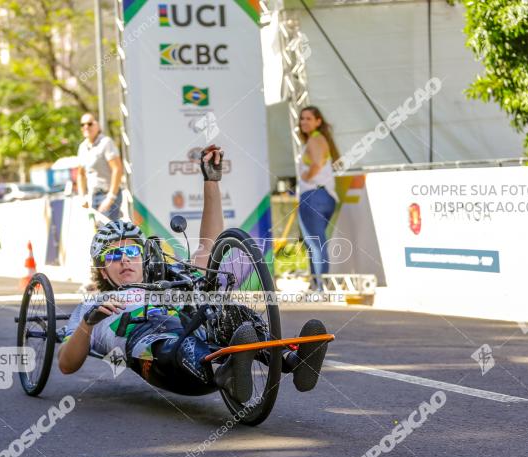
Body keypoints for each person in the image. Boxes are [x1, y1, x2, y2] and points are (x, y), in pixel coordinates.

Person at [57, 146, 330, 401]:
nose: (124, 261)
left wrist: (211, 182)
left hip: (196, 334)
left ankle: (294, 361)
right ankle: (227, 373)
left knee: (231, 311)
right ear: (101, 267)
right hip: (159, 358)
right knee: (169, 337)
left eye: (131, 253)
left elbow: (208, 248)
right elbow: (67, 365)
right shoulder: (91, 307)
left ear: (143, 257)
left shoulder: (170, 276)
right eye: (114, 256)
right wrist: (88, 324)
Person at [296, 106, 340, 291]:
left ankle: (320, 287)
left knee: (315, 243)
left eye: (308, 118)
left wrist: (306, 177)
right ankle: (317, 285)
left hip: (313, 195)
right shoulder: (321, 140)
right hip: (325, 196)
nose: (304, 122)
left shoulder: (315, 140)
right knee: (317, 242)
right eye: (302, 118)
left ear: (318, 121)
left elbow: (317, 163)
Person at [76, 113, 124, 222]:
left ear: (98, 125)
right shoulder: (82, 147)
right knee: (100, 235)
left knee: (109, 235)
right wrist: (82, 197)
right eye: (82, 124)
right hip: (93, 197)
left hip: (108, 195)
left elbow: (117, 169)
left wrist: (110, 198)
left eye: (89, 123)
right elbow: (81, 174)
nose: (86, 127)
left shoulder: (106, 142)